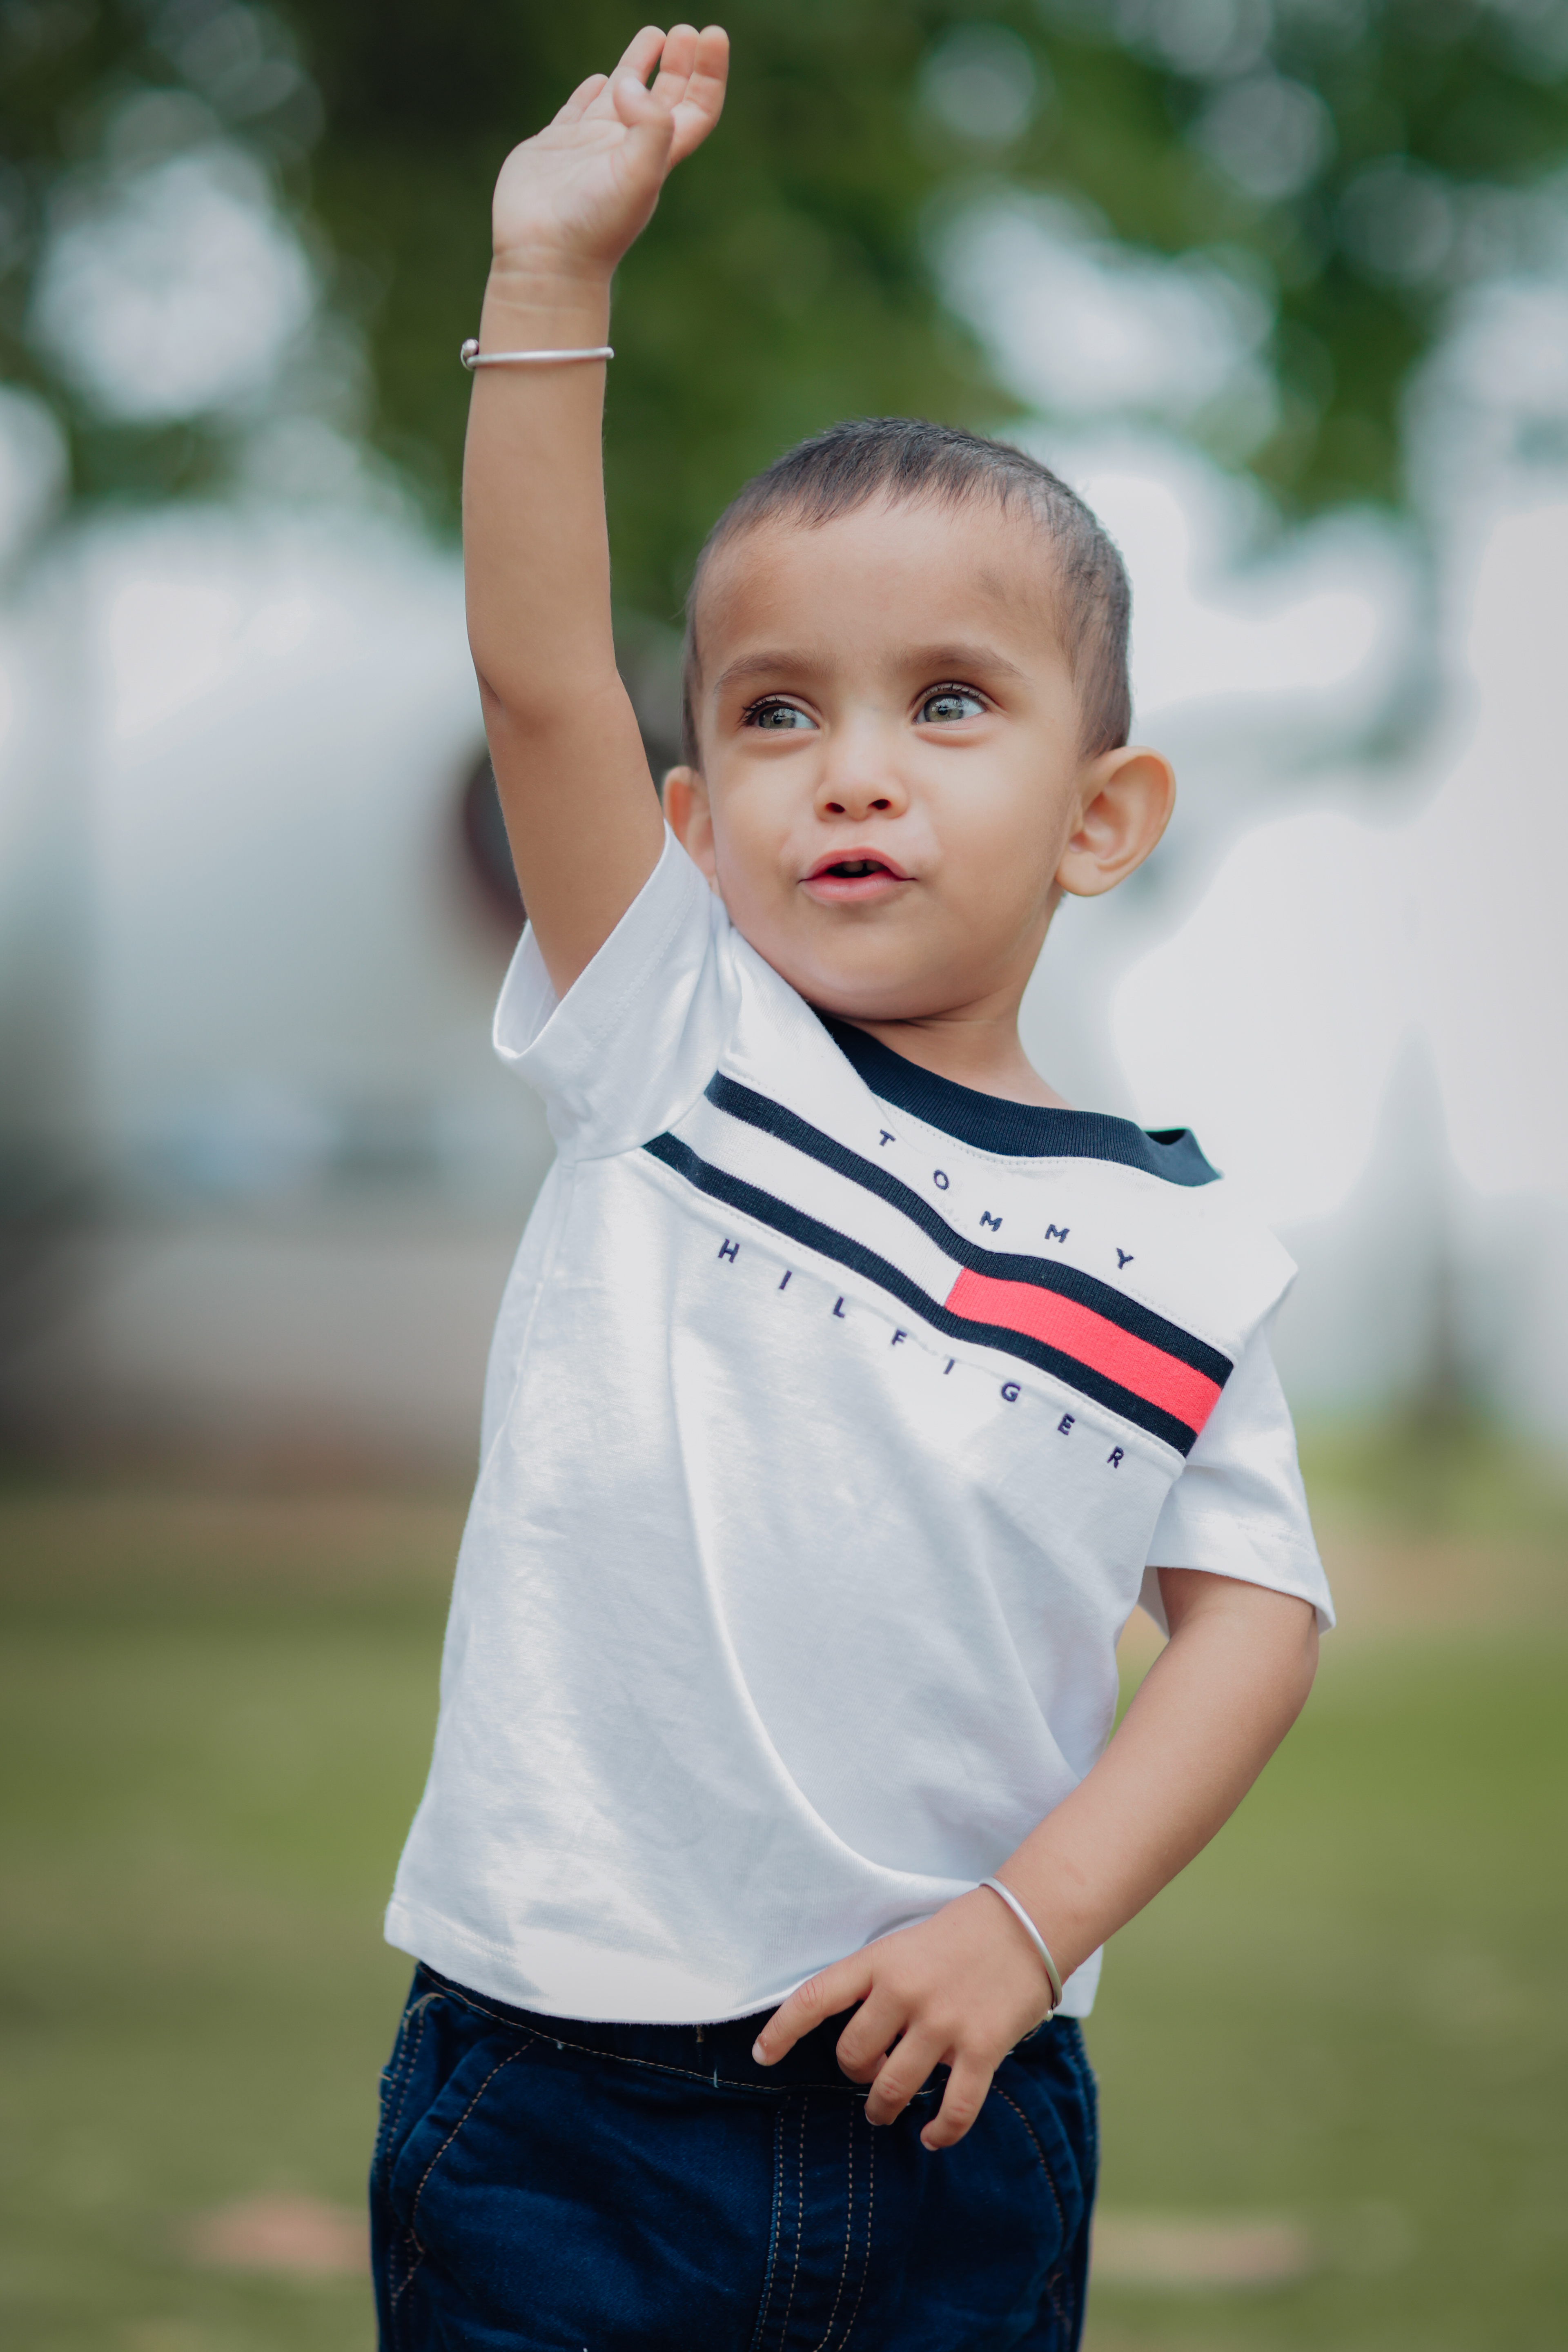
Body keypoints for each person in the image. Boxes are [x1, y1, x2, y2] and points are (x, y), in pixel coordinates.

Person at [370, 24, 1332, 2351]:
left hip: (954, 2101)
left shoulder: (1178, 1250)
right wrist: (547, 275)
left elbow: (1255, 1625)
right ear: (692, 823)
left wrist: (1030, 1921)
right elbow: (540, 678)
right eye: (776, 713)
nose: (851, 773)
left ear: (1103, 817)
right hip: (561, 2098)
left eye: (949, 703)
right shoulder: (671, 1039)